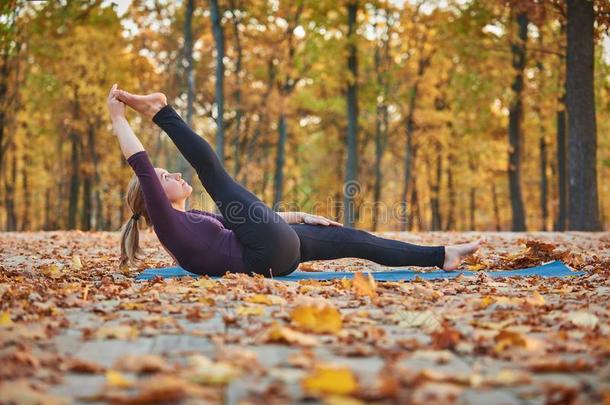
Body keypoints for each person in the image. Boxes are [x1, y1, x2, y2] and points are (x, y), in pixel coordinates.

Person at [107, 84, 482, 277]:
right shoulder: (169, 225)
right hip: (264, 256)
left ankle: (442, 256)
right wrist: (118, 120)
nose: (172, 174)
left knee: (358, 240)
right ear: (151, 199)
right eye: (163, 177)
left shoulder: (197, 220)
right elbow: (140, 163)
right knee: (215, 176)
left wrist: (301, 216)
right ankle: (160, 111)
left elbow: (249, 222)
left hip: (275, 253)